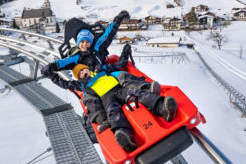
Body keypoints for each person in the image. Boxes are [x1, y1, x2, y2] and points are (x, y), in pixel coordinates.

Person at [44, 64, 178, 152]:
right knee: (113, 113)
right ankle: (125, 136)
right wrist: (51, 75)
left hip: (119, 89)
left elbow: (118, 69)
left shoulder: (102, 72)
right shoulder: (84, 86)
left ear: (88, 69)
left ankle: (162, 108)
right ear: (79, 78)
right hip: (106, 98)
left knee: (138, 94)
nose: (83, 74)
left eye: (84, 70)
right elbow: (64, 83)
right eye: (80, 74)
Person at [41, 10, 130, 76]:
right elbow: (64, 62)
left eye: (87, 41)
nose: (84, 44)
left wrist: (118, 19)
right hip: (90, 79)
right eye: (82, 42)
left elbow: (108, 34)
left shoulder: (98, 46)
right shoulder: (77, 57)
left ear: (91, 42)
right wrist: (51, 66)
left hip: (105, 71)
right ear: (78, 43)